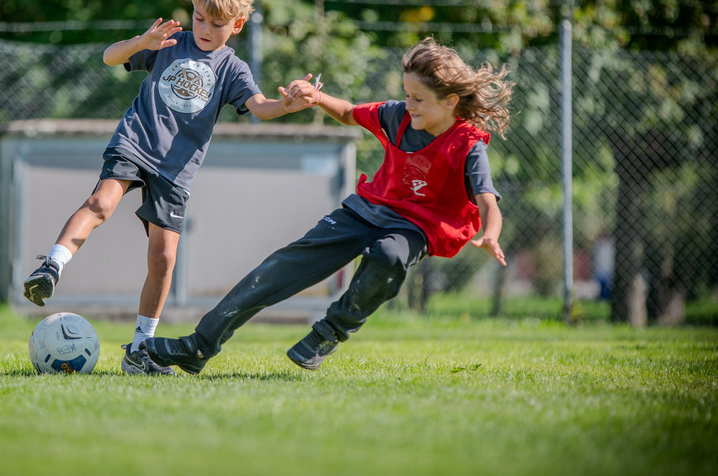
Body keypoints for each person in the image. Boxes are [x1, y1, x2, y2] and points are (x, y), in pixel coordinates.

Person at [142, 37, 514, 374]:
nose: (409, 104)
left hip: (415, 227)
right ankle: (199, 345)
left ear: (450, 101)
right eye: (407, 94)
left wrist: (491, 234)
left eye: (418, 98)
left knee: (388, 255)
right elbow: (351, 113)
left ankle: (330, 332)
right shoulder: (397, 115)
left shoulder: (467, 144)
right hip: (366, 210)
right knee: (278, 270)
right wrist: (317, 97)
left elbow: (486, 199)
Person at [22, 0, 318, 376]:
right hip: (135, 141)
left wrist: (287, 104)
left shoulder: (233, 68)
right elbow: (110, 57)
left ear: (237, 25)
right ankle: (52, 266)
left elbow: (260, 107)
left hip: (176, 170)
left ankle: (141, 348)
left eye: (216, 24)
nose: (204, 29)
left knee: (163, 257)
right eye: (199, 18)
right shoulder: (169, 42)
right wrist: (140, 41)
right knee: (101, 203)